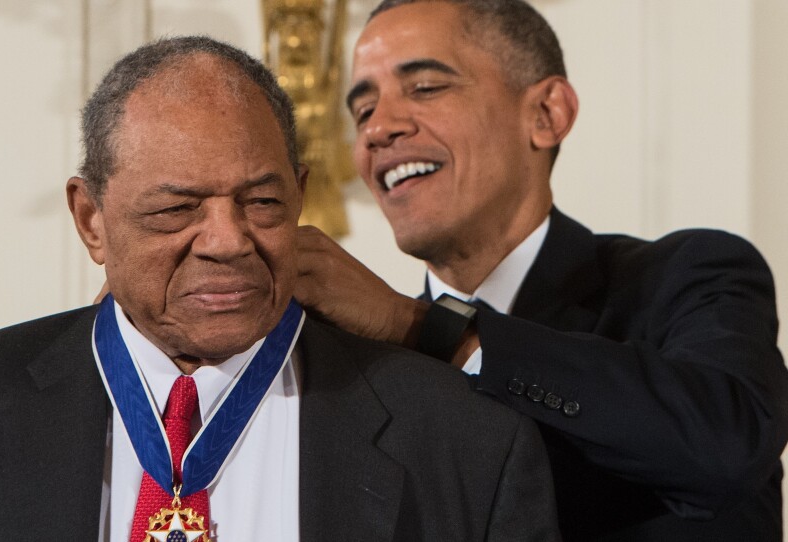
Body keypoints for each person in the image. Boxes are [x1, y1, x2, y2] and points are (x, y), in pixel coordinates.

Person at [0, 36, 560, 541]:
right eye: (175, 210)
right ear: (91, 220)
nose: (228, 240)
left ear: (301, 194)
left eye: (263, 202)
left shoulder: (466, 439)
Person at [295, 1, 788, 540]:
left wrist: (427, 329)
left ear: (547, 114)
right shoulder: (351, 366)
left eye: (426, 87)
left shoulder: (690, 277)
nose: (378, 130)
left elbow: (725, 447)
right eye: (363, 111)